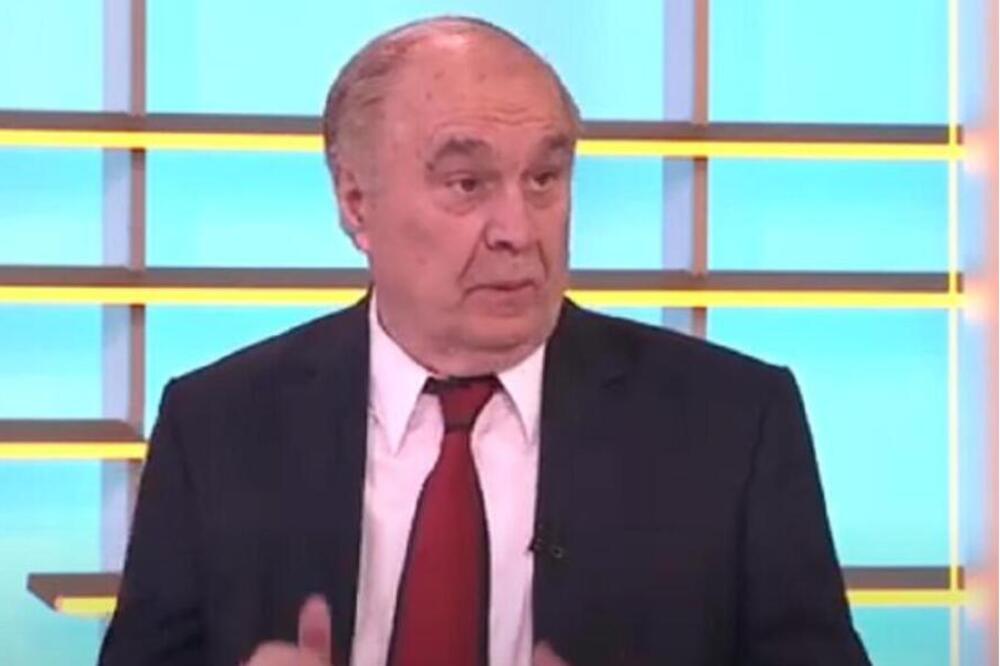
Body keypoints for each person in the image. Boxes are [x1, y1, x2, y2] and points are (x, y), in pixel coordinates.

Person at [98, 16, 871, 666]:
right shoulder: (220, 424)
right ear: (356, 202)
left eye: (545, 180)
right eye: (467, 184)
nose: (518, 231)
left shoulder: (732, 422)